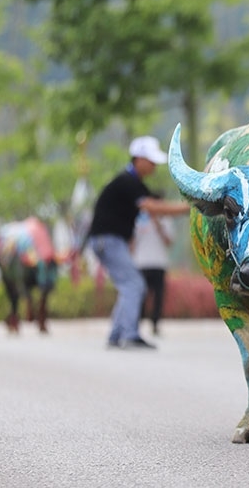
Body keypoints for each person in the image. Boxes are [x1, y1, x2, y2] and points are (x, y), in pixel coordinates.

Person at [88, 135, 190, 350]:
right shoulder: (128, 182)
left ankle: (117, 334)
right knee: (134, 284)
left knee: (129, 284)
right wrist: (189, 208)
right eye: (151, 161)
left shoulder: (132, 183)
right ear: (139, 159)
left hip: (107, 240)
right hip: (108, 239)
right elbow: (152, 207)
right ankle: (129, 334)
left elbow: (154, 203)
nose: (154, 166)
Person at [131, 193, 175, 337]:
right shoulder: (139, 219)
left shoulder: (166, 220)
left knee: (158, 297)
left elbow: (169, 242)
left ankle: (155, 324)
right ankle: (136, 325)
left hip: (159, 263)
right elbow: (133, 241)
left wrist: (158, 224)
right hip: (141, 263)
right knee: (140, 296)